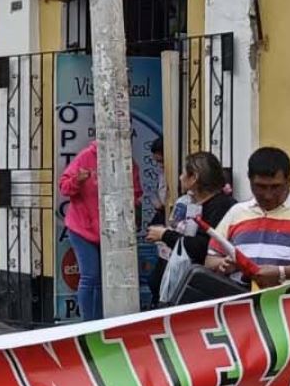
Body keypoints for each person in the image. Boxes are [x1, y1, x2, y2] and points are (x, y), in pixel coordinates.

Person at [205, 145, 290, 288]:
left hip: (287, 303)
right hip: (242, 301)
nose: (268, 195)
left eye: (276, 187)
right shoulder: (237, 212)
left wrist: (281, 273)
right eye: (260, 187)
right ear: (249, 179)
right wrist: (223, 264)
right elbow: (211, 259)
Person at [58, 137, 142, 321]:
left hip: (113, 229)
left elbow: (136, 192)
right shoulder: (86, 157)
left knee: (106, 279)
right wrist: (77, 180)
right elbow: (64, 187)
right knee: (91, 275)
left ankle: (100, 320)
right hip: (83, 228)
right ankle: (88, 324)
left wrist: (131, 207)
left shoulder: (128, 162)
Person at [147, 151, 237, 303]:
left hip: (202, 294)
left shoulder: (221, 207)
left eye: (183, 173)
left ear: (194, 177)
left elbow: (202, 247)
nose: (180, 178)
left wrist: (165, 235)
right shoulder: (190, 204)